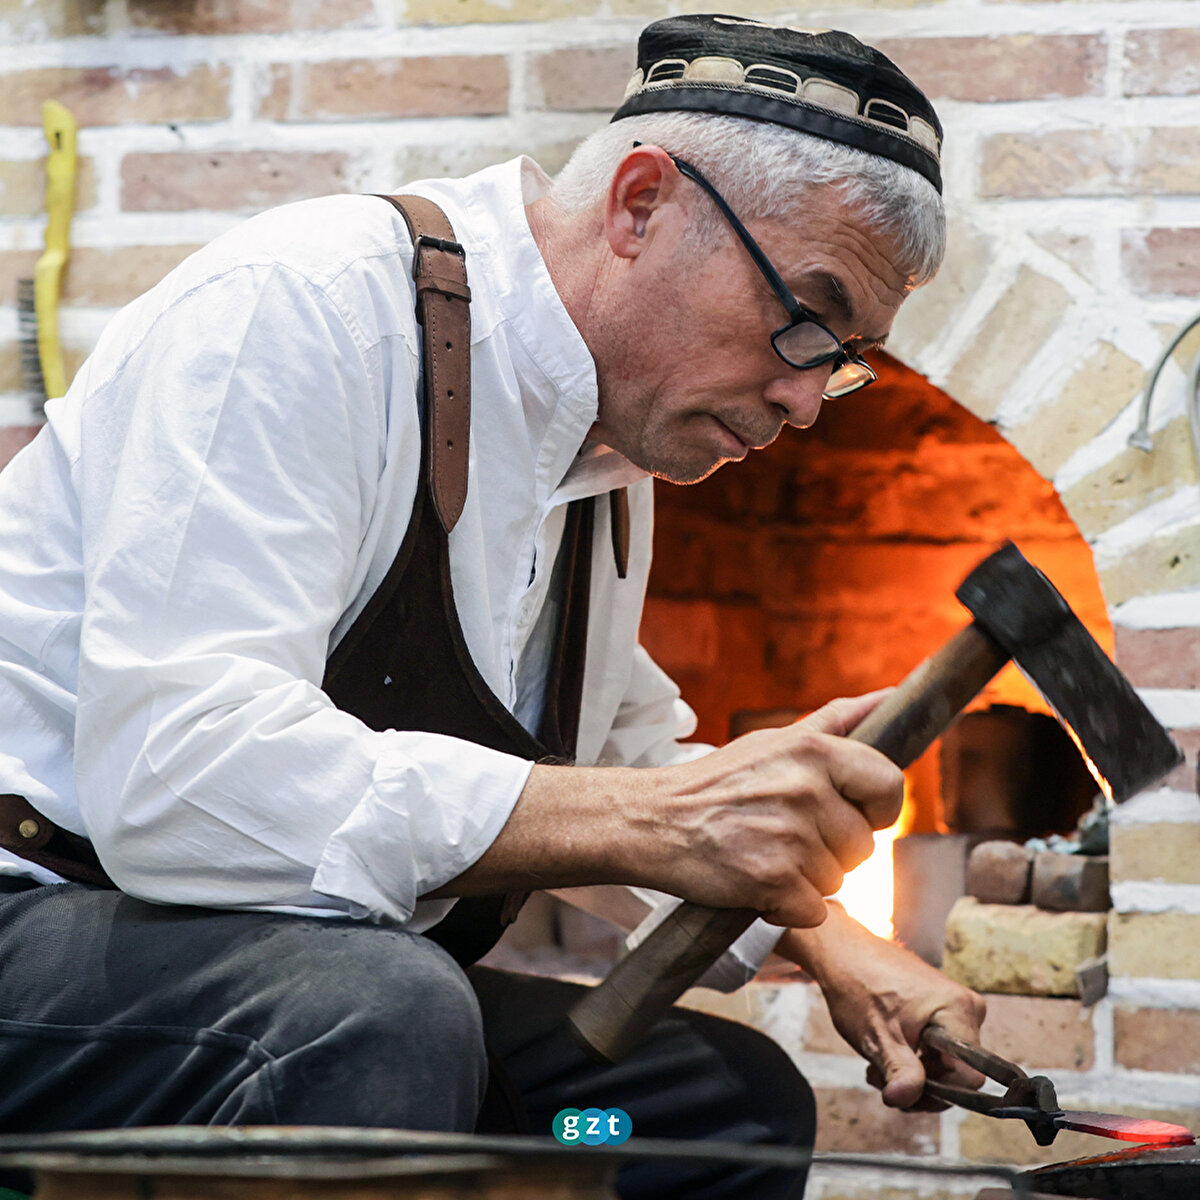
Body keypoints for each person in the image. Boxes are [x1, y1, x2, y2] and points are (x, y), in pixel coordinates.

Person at [0, 14, 985, 1198]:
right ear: (640, 204)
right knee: (382, 1012)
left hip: (314, 992)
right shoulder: (307, 307)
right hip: (47, 946)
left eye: (843, 356)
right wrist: (656, 817)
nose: (808, 398)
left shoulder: (608, 453)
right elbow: (181, 775)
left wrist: (840, 946)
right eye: (805, 318)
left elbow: (616, 762)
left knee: (717, 1110)